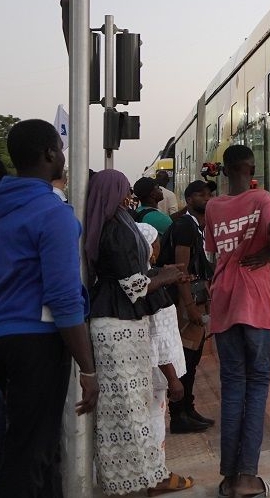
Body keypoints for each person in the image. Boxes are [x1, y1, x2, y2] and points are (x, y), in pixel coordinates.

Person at [0, 119, 98, 496]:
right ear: (48, 154)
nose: (62, 156)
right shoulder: (53, 214)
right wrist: (88, 369)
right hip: (35, 344)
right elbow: (62, 298)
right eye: (59, 148)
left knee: (18, 448)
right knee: (33, 453)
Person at [85, 168, 193, 496]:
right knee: (126, 410)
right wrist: (167, 277)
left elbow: (136, 273)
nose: (126, 194)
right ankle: (128, 482)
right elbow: (134, 285)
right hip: (116, 326)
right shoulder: (113, 228)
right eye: (123, 189)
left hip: (125, 325)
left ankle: (142, 477)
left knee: (135, 406)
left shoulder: (117, 221)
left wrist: (164, 272)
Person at [204, 145, 270, 498]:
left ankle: (228, 476)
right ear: (251, 168)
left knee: (233, 387)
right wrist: (266, 253)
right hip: (255, 299)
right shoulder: (262, 197)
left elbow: (213, 251)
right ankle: (248, 478)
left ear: (223, 172)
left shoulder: (212, 206)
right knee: (258, 386)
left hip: (224, 299)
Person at [136, 222, 190, 491]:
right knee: (156, 418)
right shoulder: (151, 287)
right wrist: (173, 378)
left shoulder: (147, 278)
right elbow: (157, 337)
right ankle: (157, 476)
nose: (159, 246)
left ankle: (152, 471)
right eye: (156, 242)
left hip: (155, 369)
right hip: (159, 372)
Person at [165, 180, 216, 434]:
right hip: (184, 302)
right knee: (184, 358)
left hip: (194, 299)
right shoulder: (185, 226)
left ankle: (188, 408)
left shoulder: (198, 227)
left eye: (209, 194)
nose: (206, 198)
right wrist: (190, 307)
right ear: (188, 199)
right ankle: (179, 414)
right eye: (200, 194)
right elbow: (181, 271)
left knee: (193, 359)